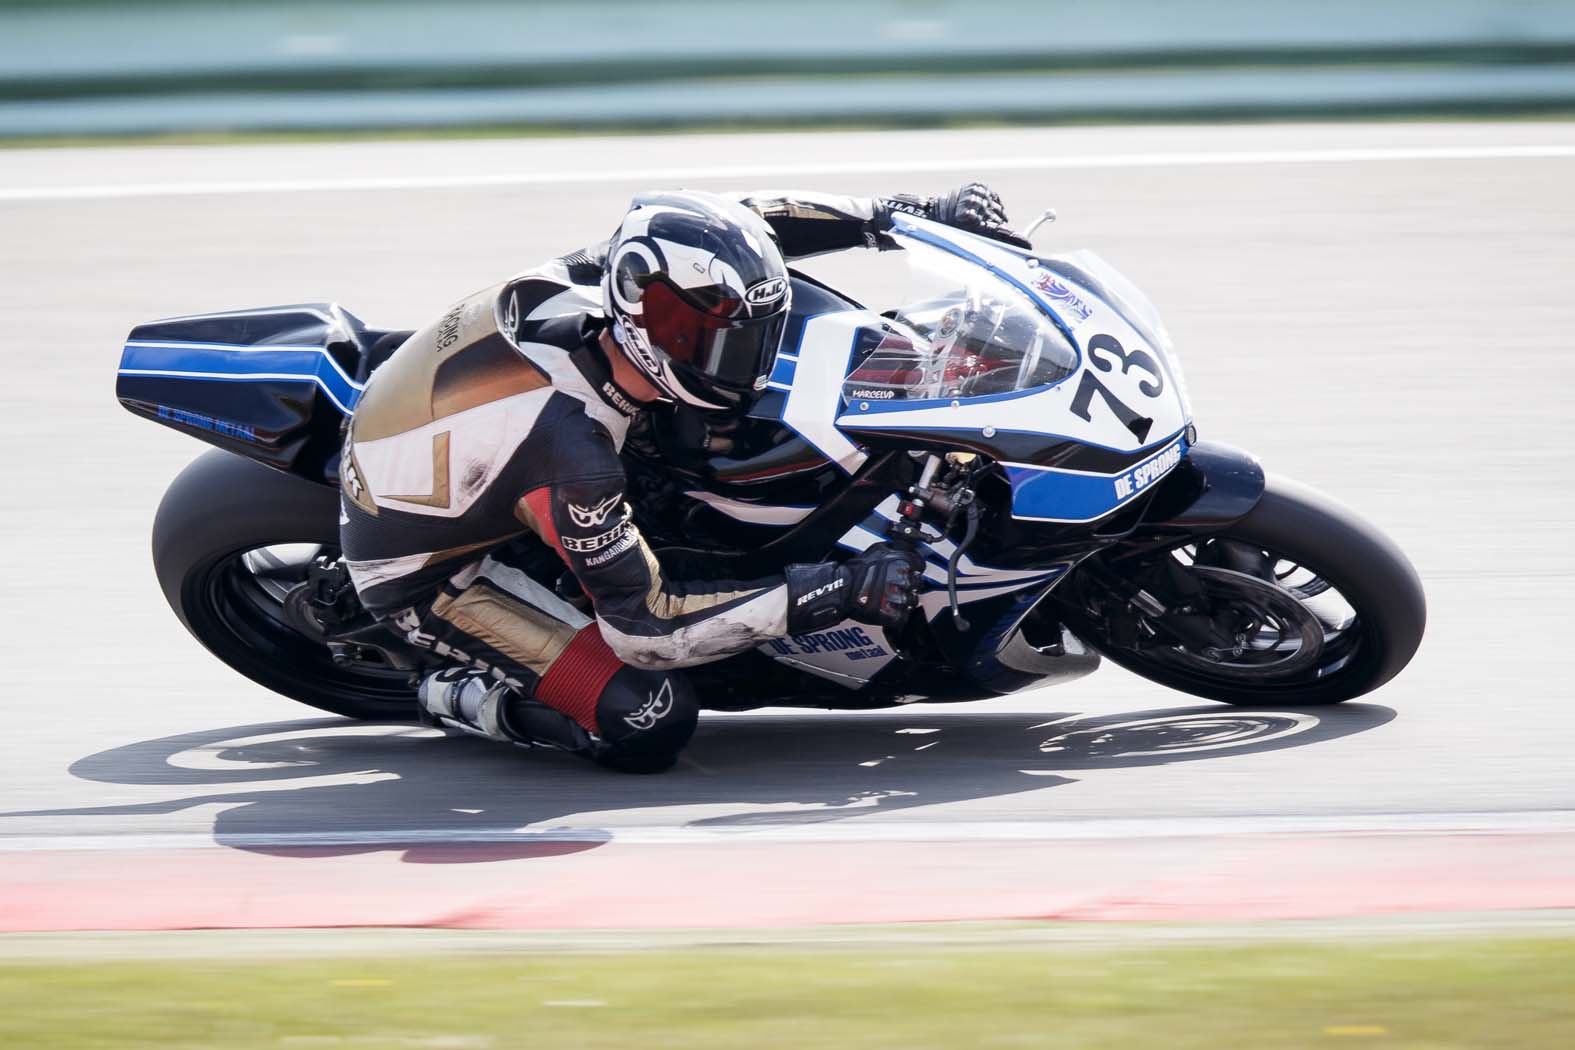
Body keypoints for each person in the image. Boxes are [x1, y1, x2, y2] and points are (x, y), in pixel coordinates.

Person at [338, 184, 1027, 772]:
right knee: (649, 720)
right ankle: (448, 693)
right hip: (436, 575)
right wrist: (832, 589)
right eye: (715, 340)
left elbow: (752, 224)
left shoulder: (625, 272)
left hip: (459, 441)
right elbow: (649, 630)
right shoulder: (575, 458)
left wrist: (903, 214)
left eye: (747, 334)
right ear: (646, 328)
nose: (742, 358)